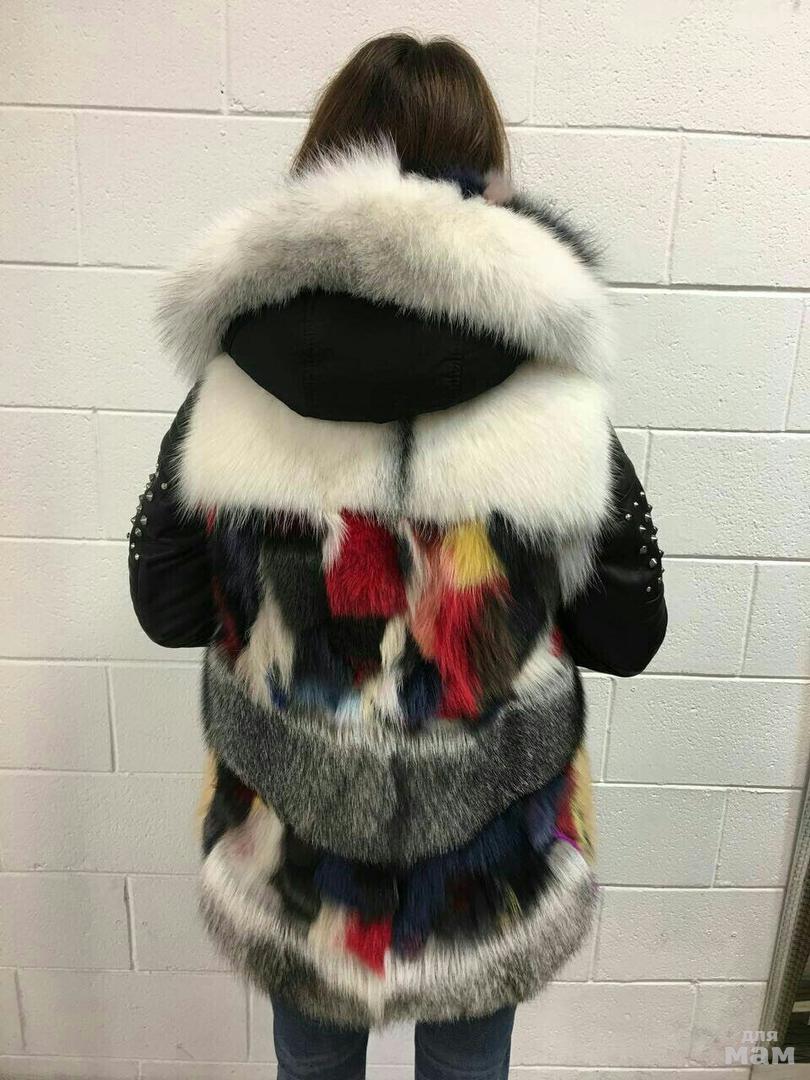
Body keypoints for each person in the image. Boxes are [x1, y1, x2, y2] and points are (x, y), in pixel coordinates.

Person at [129, 32, 667, 1080]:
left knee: (311, 1065)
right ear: (485, 173)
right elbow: (627, 631)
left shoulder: (235, 383)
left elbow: (166, 603)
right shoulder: (552, 396)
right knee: (469, 1065)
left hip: (298, 854)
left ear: (325, 160)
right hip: (487, 861)